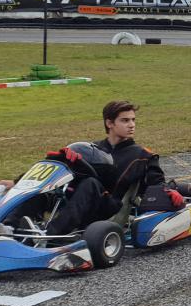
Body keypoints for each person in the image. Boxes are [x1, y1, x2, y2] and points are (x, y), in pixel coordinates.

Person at [47, 100, 168, 236]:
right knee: (50, 183)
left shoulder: (142, 155)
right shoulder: (93, 148)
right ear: (109, 123)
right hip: (78, 203)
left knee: (90, 184)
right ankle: (18, 222)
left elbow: (157, 185)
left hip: (109, 209)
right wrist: (60, 163)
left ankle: (50, 235)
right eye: (125, 120)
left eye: (133, 120)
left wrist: (170, 192)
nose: (132, 125)